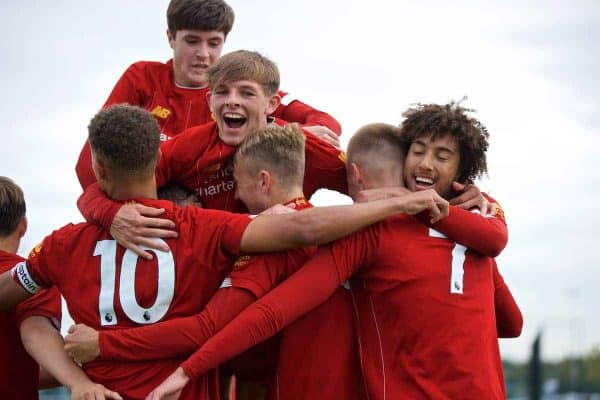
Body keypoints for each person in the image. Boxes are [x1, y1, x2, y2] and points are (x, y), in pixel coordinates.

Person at [0, 105, 448, 399]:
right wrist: (403, 201)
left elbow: (23, 307)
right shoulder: (205, 229)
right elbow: (300, 225)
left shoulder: (61, 244)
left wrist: (79, 380)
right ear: (159, 160)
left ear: (97, 167)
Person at [138, 102, 516, 399]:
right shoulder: (476, 234)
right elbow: (511, 323)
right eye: (419, 150)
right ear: (403, 160)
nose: (426, 164)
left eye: (442, 156)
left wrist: (188, 370)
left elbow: (273, 311)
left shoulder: (370, 234)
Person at [65, 124, 366, 400]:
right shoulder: (344, 235)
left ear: (263, 181)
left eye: (236, 182)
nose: (234, 194)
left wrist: (103, 345)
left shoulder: (270, 249)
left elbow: (205, 328)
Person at [76, 50, 349, 258]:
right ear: (209, 101)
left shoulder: (302, 146)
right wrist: (112, 215)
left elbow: (369, 183)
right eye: (222, 92)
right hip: (216, 273)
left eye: (246, 93)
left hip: (288, 264)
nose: (232, 100)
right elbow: (103, 187)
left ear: (272, 105)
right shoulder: (189, 146)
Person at [75, 0, 342, 189]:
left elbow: (327, 123)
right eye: (192, 41)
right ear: (171, 38)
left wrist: (291, 132)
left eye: (213, 43)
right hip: (152, 215)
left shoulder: (241, 91)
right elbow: (90, 161)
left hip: (223, 223)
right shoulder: (142, 78)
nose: (203, 54)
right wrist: (110, 213)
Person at [0, 177, 122, 400]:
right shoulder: (35, 279)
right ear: (23, 225)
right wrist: (81, 379)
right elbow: (36, 332)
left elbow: (31, 364)